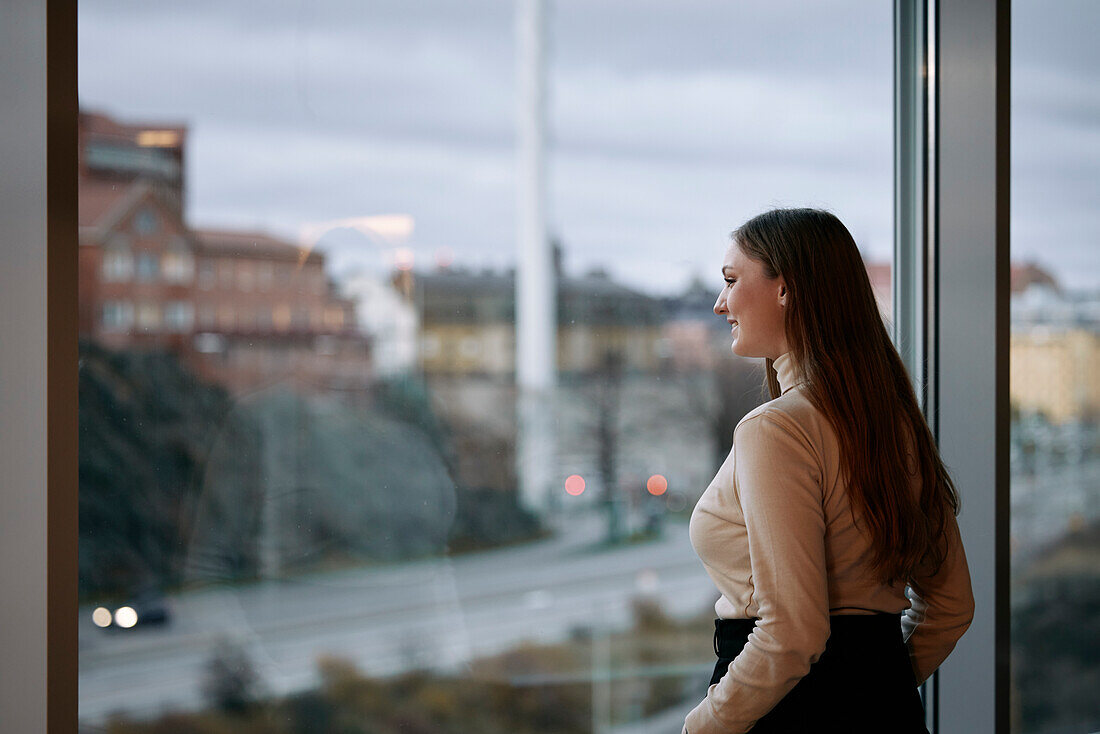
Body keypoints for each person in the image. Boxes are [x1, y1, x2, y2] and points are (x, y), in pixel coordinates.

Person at [682, 208, 974, 734]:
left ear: (785, 290)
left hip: (784, 712)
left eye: (730, 281)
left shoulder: (775, 430)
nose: (720, 303)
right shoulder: (894, 423)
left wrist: (702, 727)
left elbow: (792, 631)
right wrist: (873, 689)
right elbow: (951, 607)